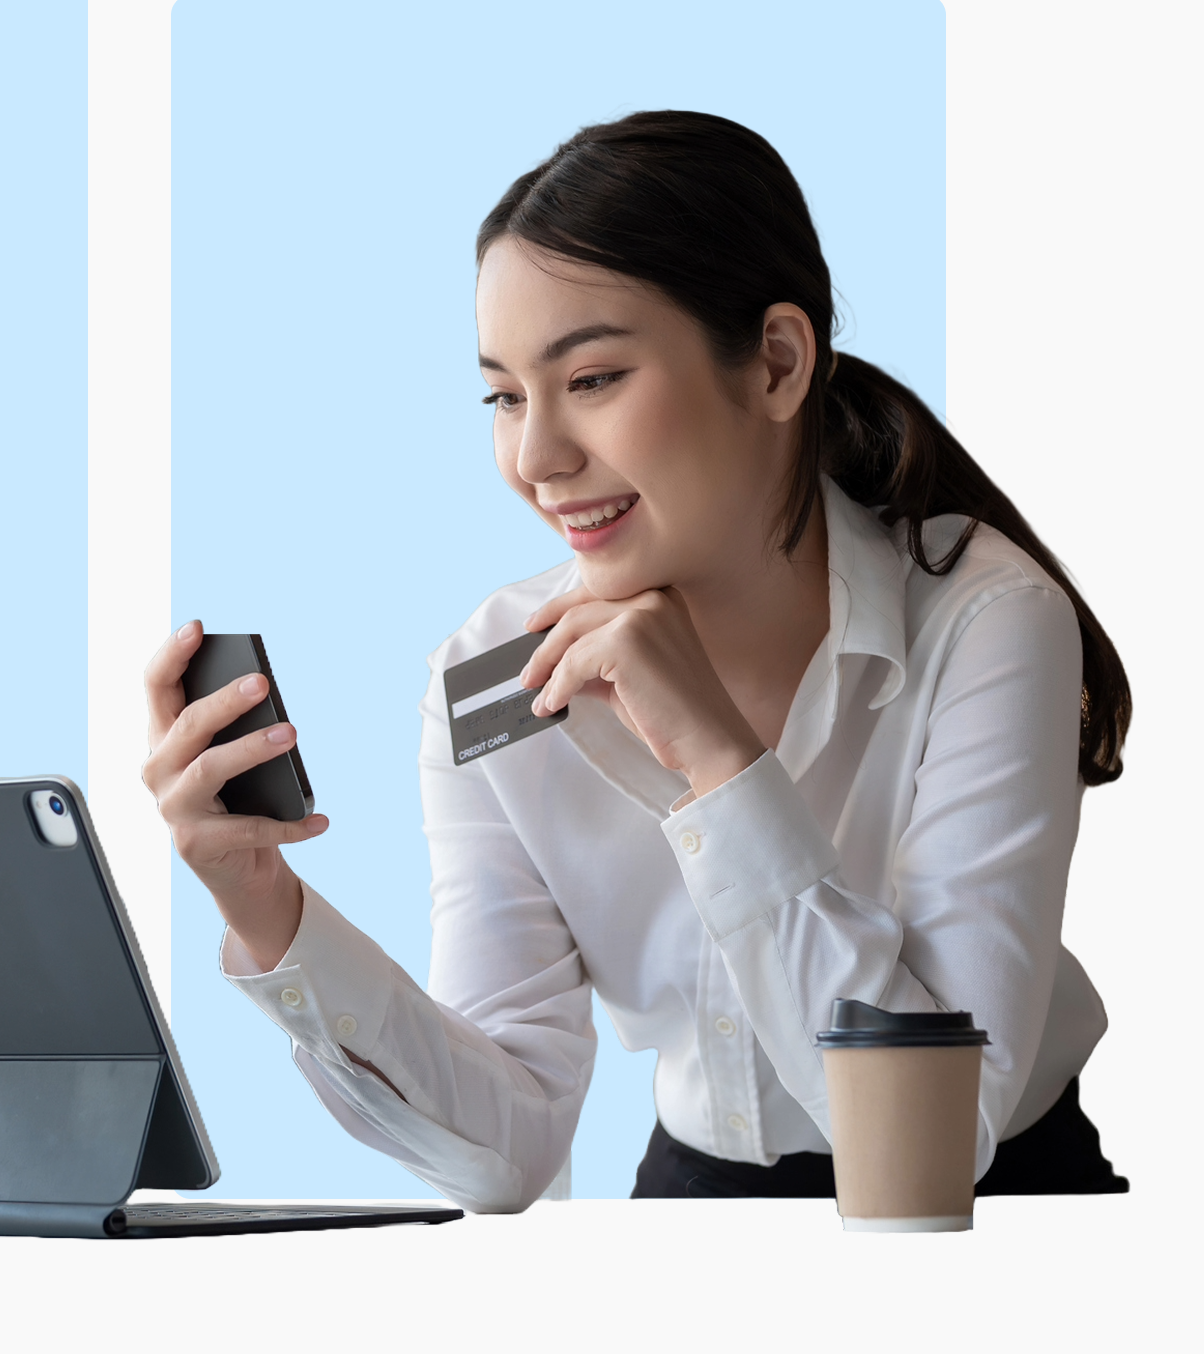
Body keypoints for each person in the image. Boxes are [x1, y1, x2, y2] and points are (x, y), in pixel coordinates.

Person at [141, 111, 1131, 1207]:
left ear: (778, 363)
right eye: (505, 395)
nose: (536, 456)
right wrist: (267, 908)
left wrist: (717, 760)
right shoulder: (493, 678)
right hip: (696, 1196)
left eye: (595, 378)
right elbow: (506, 1152)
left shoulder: (985, 623)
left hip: (1004, 1211)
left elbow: (946, 1131)